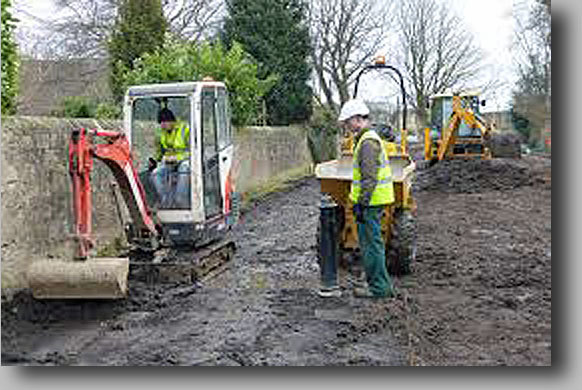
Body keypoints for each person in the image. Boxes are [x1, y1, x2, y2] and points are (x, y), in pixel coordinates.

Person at [338, 99, 396, 298]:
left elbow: (369, 178)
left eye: (347, 122)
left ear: (357, 119)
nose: (346, 126)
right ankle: (378, 284)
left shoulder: (368, 143)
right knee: (372, 244)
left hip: (370, 203)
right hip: (371, 201)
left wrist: (362, 204)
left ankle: (379, 288)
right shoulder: (366, 139)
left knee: (372, 246)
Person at [149, 108, 191, 208]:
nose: (162, 125)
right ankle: (166, 200)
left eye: (164, 122)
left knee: (184, 169)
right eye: (161, 123)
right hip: (169, 163)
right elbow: (159, 150)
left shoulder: (185, 129)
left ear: (171, 121)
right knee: (155, 174)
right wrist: (154, 160)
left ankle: (180, 200)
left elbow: (194, 151)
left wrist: (177, 158)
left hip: (186, 161)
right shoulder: (162, 132)